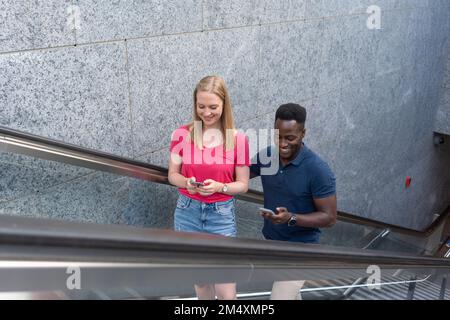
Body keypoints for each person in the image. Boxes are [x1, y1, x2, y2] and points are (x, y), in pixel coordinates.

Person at [168, 75, 250, 300]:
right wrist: (188, 183)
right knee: (202, 283)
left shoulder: (238, 139)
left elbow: (243, 184)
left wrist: (220, 187)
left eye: (213, 107)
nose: (206, 113)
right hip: (187, 212)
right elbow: (172, 175)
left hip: (220, 215)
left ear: (224, 104)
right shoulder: (182, 134)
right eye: (201, 106)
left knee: (225, 290)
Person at [250, 103, 337, 300]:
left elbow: (330, 218)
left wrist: (292, 218)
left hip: (301, 250)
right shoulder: (268, 156)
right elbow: (237, 175)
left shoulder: (318, 170)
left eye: (290, 138)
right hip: (273, 243)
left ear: (303, 133)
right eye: (278, 136)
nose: (282, 143)